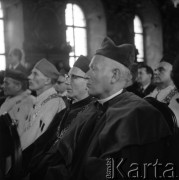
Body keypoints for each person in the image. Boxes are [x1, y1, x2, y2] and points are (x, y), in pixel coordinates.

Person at [31, 37, 172, 180]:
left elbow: (114, 171)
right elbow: (61, 153)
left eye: (93, 69)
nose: (87, 75)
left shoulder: (138, 114)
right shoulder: (93, 107)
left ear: (114, 75)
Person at [27, 55, 94, 178]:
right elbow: (42, 143)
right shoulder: (66, 110)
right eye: (68, 76)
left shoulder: (92, 115)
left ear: (89, 81)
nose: (67, 81)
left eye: (74, 77)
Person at [20, 58, 66, 150]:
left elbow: (39, 141)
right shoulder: (42, 100)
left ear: (47, 80)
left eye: (35, 74)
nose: (29, 77)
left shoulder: (54, 103)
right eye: (31, 73)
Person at [0, 70, 35, 137]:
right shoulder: (8, 99)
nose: (3, 86)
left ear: (18, 86)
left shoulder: (29, 102)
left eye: (6, 83)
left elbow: (20, 133)